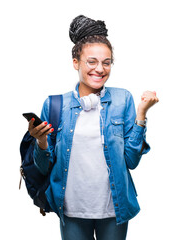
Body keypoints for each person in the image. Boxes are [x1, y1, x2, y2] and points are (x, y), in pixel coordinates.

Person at [28, 15, 159, 240]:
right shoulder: (55, 105)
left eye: (106, 62)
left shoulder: (123, 99)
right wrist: (41, 142)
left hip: (114, 208)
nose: (100, 69)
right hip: (71, 208)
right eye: (91, 61)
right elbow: (43, 167)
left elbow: (132, 161)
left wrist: (141, 115)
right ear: (75, 62)